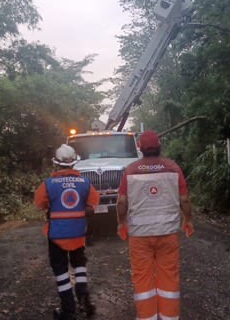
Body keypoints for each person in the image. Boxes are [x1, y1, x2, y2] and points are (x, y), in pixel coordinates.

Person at [116, 130, 194, 320]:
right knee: (169, 275)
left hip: (140, 236)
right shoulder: (173, 168)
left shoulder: (131, 170)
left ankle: (147, 317)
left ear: (140, 148)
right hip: (168, 233)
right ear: (159, 146)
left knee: (142, 277)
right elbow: (184, 200)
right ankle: (169, 317)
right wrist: (188, 220)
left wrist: (121, 222)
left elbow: (121, 202)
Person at [34, 144, 99, 320]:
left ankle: (68, 311)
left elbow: (39, 204)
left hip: (56, 235)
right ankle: (85, 301)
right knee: (79, 265)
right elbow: (93, 205)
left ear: (56, 164)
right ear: (74, 163)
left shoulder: (48, 184)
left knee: (61, 270)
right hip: (78, 234)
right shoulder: (85, 183)